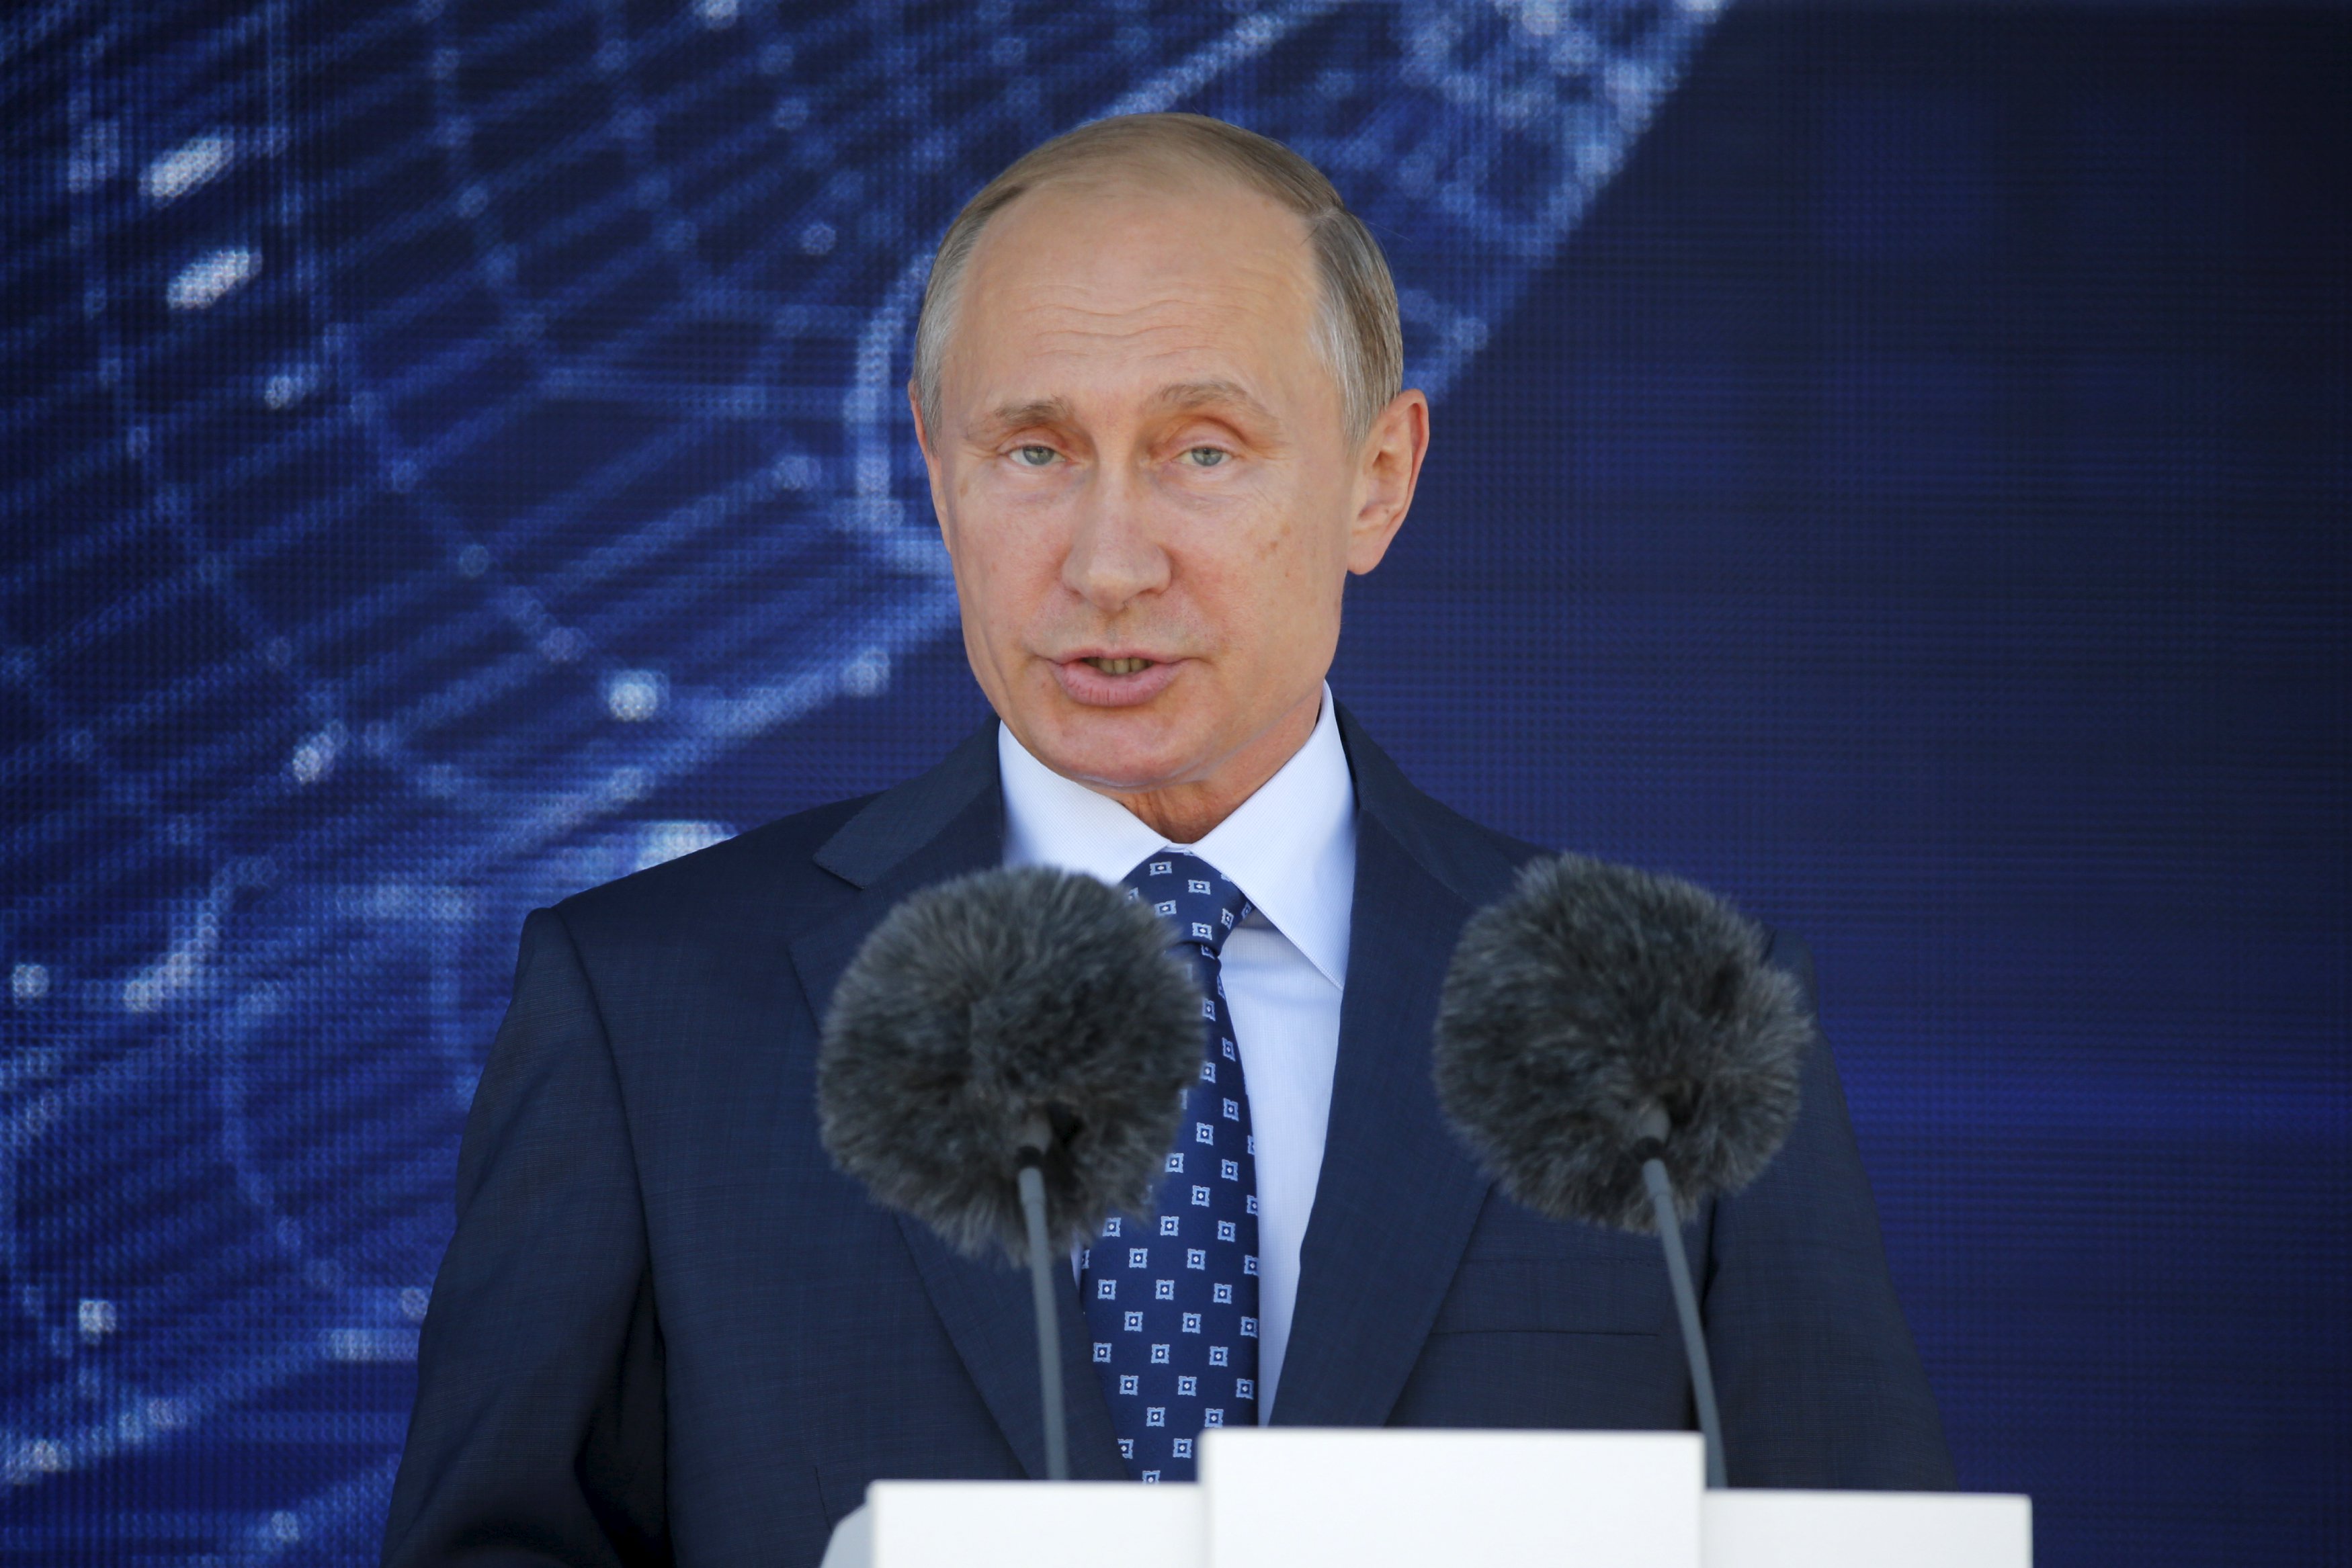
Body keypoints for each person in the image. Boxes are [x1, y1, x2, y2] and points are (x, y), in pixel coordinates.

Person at [382, 113, 1951, 1567]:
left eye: (1203, 449)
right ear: (937, 475)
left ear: (1376, 479)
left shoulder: (1678, 1023)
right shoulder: (646, 1011)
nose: (1109, 560)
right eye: (1035, 453)